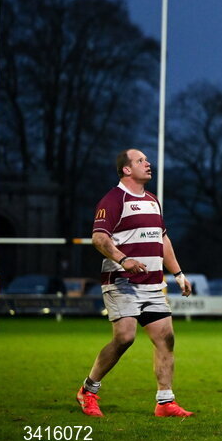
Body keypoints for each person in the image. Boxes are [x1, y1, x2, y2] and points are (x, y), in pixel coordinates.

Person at [76, 149, 193, 418]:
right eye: (141, 161)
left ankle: (165, 402)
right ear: (127, 169)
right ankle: (88, 390)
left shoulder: (153, 201)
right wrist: (124, 259)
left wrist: (178, 274)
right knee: (125, 338)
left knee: (166, 339)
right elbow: (99, 239)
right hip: (122, 282)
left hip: (152, 284)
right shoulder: (114, 199)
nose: (148, 163)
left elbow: (162, 241)